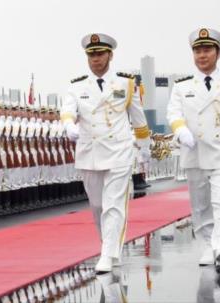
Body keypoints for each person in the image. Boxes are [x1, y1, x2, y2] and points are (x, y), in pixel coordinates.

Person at [60, 33, 151, 273]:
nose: (95, 59)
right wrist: (68, 124)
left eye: (100, 54)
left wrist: (144, 148)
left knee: (113, 205)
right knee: (98, 206)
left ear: (110, 54)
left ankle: (108, 253)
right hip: (89, 151)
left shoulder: (126, 83)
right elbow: (67, 110)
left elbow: (138, 119)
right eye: (91, 54)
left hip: (119, 150)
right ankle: (109, 246)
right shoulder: (77, 86)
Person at [167, 28, 220, 267]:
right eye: (197, 51)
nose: (202, 55)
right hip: (195, 151)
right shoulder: (182, 87)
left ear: (218, 53)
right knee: (201, 204)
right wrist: (180, 129)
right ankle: (206, 245)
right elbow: (173, 112)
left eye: (207, 50)